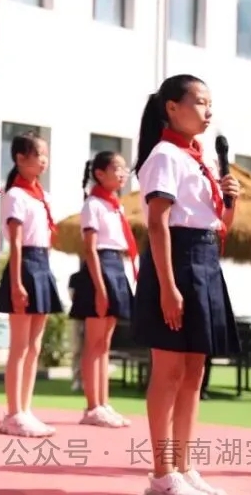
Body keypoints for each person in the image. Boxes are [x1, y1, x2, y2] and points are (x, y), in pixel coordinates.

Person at [133, 74, 241, 495]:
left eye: (210, 103)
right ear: (172, 108)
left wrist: (232, 201)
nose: (207, 110)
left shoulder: (200, 159)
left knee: (195, 371)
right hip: (175, 261)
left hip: (205, 261)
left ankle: (184, 465)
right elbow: (158, 224)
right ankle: (162, 473)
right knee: (169, 371)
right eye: (199, 101)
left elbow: (217, 225)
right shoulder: (164, 155)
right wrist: (168, 286)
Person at [0, 132, 58, 438]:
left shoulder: (41, 196)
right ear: (20, 158)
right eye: (38, 154)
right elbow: (15, 243)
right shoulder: (16, 195)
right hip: (25, 266)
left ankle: (26, 409)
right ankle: (13, 412)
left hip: (42, 266)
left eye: (45, 155)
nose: (43, 160)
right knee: (19, 346)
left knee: (35, 346)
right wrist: (17, 283)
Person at [70, 150, 136, 428]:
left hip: (116, 267)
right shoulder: (93, 205)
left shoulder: (116, 206)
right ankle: (92, 406)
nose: (123, 174)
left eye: (124, 169)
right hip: (100, 269)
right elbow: (90, 249)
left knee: (105, 344)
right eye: (117, 168)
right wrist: (100, 288)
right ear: (100, 173)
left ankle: (103, 403)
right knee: (93, 343)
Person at [68, 269, 85, 392]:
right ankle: (77, 379)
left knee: (90, 350)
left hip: (93, 317)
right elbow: (71, 296)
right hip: (77, 317)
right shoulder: (74, 277)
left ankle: (87, 379)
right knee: (77, 350)